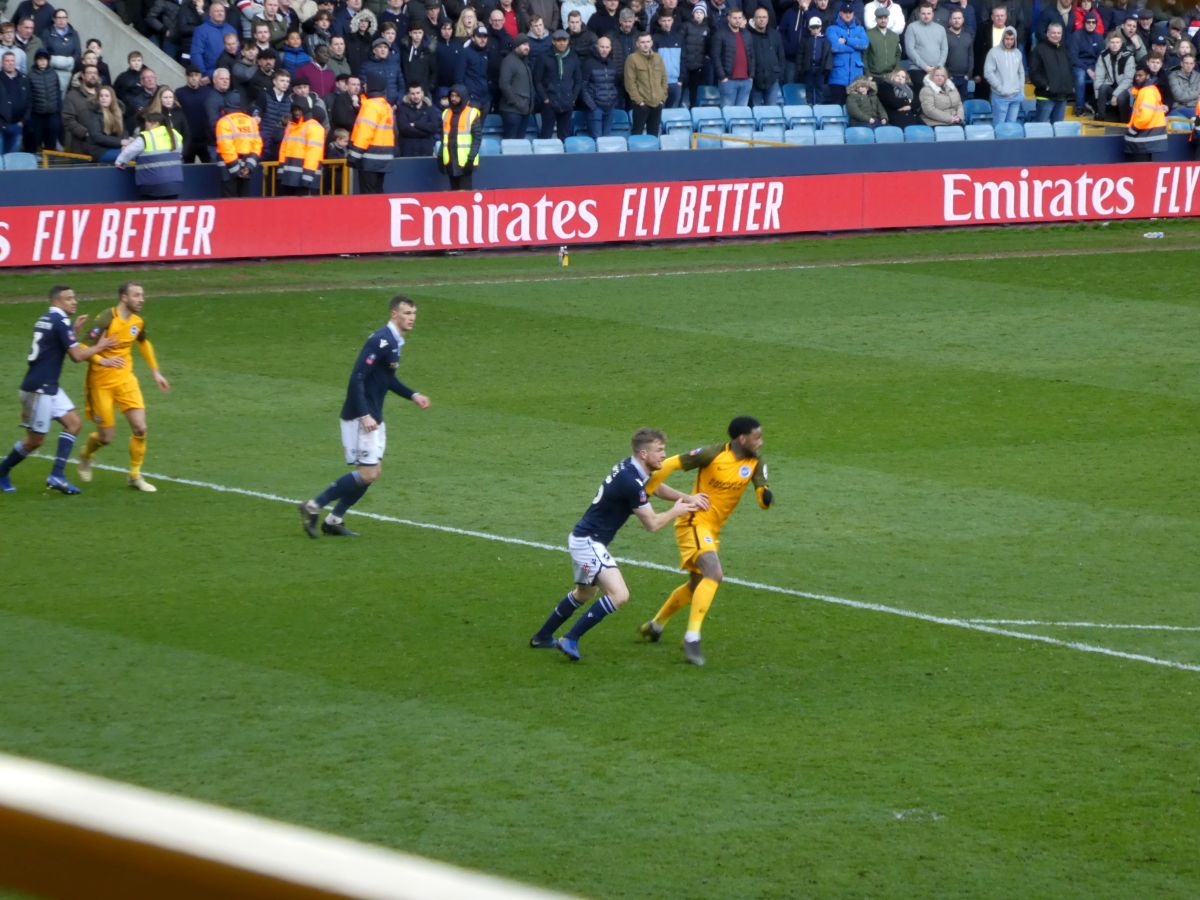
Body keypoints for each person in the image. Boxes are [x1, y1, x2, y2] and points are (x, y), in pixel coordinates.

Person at [529, 428, 706, 660]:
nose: (664, 455)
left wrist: (688, 498)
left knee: (584, 593)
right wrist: (676, 511)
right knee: (619, 595)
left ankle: (542, 637)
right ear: (644, 454)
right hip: (589, 543)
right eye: (659, 451)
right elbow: (652, 524)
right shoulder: (631, 481)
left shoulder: (631, 469)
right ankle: (570, 639)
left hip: (583, 539)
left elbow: (655, 488)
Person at [638, 416, 772, 667]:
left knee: (696, 584)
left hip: (712, 528)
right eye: (757, 437)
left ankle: (656, 625)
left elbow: (762, 495)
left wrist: (765, 496)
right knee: (714, 573)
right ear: (742, 439)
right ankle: (692, 637)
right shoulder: (711, 454)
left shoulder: (755, 462)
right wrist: (645, 492)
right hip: (694, 520)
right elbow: (669, 464)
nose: (761, 442)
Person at [298, 295, 430, 539]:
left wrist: (413, 395)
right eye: (407, 313)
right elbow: (356, 378)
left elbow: (386, 379)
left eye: (413, 313)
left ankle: (333, 520)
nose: (411, 318)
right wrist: (364, 414)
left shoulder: (394, 342)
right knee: (368, 473)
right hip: (362, 417)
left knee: (372, 473)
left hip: (373, 416)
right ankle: (312, 506)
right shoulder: (381, 341)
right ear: (394, 314)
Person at [0, 286, 119, 495]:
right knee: (35, 441)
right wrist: (101, 346)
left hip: (47, 386)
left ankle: (57, 476)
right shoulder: (60, 321)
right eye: (69, 299)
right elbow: (77, 356)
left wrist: (73, 332)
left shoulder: (46, 319)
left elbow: (53, 345)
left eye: (74, 297)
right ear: (57, 301)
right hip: (39, 390)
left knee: (74, 424)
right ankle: (2, 471)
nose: (74, 302)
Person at [77, 283, 172, 494]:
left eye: (142, 295)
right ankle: (85, 455)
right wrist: (103, 361)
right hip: (100, 384)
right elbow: (82, 348)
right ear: (123, 297)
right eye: (136, 295)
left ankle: (135, 476)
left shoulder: (137, 321)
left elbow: (144, 343)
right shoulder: (106, 318)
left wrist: (155, 372)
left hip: (126, 381)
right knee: (105, 438)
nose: (142, 299)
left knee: (140, 429)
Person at [115, 110, 185, 199]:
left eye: (147, 122)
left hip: (152, 185)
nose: (145, 125)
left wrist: (120, 162)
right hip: (175, 184)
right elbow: (179, 154)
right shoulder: (175, 134)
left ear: (155, 123)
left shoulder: (147, 136)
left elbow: (129, 151)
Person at [347, 70, 395, 193]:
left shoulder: (370, 106)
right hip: (384, 157)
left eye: (366, 83)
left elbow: (365, 133)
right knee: (378, 191)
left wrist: (353, 156)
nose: (364, 86)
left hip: (369, 158)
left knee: (368, 194)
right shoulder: (386, 106)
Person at [214, 91, 262, 196]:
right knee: (244, 202)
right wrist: (248, 167)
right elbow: (257, 146)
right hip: (246, 167)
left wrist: (236, 170)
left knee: (229, 203)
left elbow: (226, 148)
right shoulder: (251, 121)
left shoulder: (224, 122)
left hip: (228, 169)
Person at [277, 99, 325, 193]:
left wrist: (308, 176)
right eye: (295, 110)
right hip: (289, 177)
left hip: (305, 178)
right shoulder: (291, 126)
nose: (297, 112)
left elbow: (313, 154)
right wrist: (281, 171)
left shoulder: (313, 127)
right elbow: (283, 150)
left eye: (299, 110)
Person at [624, 31, 667, 134]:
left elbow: (664, 79)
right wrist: (639, 102)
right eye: (642, 42)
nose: (645, 44)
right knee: (637, 133)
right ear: (637, 44)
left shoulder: (658, 57)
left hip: (657, 104)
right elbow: (630, 83)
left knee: (654, 134)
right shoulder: (632, 59)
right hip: (641, 105)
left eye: (648, 41)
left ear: (652, 43)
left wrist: (662, 98)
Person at [438, 83, 480, 188]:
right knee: (454, 196)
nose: (453, 98)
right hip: (450, 161)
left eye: (457, 96)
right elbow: (443, 138)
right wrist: (440, 157)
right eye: (452, 96)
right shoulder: (446, 113)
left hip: (465, 162)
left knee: (465, 196)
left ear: (463, 97)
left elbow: (477, 138)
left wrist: (470, 159)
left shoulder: (472, 113)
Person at [1030, 22, 1073, 121]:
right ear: (1047, 33)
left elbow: (1070, 70)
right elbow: (1034, 73)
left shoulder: (1064, 50)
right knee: (1041, 130)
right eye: (1053, 33)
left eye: (1059, 33)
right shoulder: (1038, 50)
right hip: (1045, 97)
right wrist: (1047, 86)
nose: (1056, 35)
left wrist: (1069, 86)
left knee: (1058, 131)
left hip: (1062, 97)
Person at [712, 8, 755, 106]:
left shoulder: (747, 34)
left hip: (746, 80)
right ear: (728, 18)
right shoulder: (720, 34)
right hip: (728, 81)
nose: (737, 20)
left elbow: (752, 56)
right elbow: (715, 57)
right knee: (728, 114)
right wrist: (722, 77)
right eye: (735, 18)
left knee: (741, 115)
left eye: (740, 18)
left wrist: (751, 76)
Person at [827, 1, 868, 102]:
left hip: (856, 78)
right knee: (836, 109)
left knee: (855, 111)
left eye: (850, 12)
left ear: (853, 13)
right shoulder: (832, 29)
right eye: (845, 12)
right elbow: (834, 46)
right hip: (838, 77)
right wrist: (854, 47)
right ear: (840, 13)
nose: (848, 14)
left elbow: (865, 44)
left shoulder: (860, 29)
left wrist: (846, 41)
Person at [1125, 62, 1167, 159]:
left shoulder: (1147, 91)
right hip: (1148, 137)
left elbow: (1145, 116)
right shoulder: (1148, 90)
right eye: (1136, 75)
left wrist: (1133, 129)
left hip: (1143, 137)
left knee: (1141, 169)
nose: (1138, 78)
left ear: (1147, 76)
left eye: (1141, 75)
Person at [983, 25, 1024, 122]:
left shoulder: (1018, 53)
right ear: (1003, 38)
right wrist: (1000, 88)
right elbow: (988, 73)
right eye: (1007, 39)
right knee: (999, 127)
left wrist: (1021, 89)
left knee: (1011, 127)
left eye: (1011, 39)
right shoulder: (993, 52)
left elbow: (1021, 72)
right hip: (1000, 97)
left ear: (1015, 40)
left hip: (1016, 96)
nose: (1009, 41)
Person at [581, 35, 619, 137]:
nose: (604, 50)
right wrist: (593, 107)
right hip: (595, 109)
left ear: (610, 48)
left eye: (607, 47)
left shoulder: (612, 64)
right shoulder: (588, 64)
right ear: (597, 46)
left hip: (610, 108)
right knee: (596, 140)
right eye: (602, 47)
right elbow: (583, 88)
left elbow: (616, 85)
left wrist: (614, 103)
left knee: (606, 141)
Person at [497, 32, 534, 138]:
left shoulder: (524, 61)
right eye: (524, 45)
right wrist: (516, 103)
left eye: (528, 45)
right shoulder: (509, 61)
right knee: (511, 145)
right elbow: (504, 85)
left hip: (524, 110)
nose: (527, 47)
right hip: (512, 111)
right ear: (516, 46)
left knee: (520, 145)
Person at [1094, 29, 1133, 120]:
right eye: (1112, 42)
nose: (1115, 45)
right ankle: (1101, 118)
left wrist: (1115, 95)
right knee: (1102, 87)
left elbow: (1128, 80)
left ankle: (1125, 122)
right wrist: (1098, 97)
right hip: (1110, 87)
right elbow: (1099, 77)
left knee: (1122, 97)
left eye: (1117, 42)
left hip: (1125, 90)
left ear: (1121, 43)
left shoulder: (1128, 56)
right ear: (1108, 43)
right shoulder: (1103, 55)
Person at [395, 81, 439, 155]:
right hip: (408, 151)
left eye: (418, 93)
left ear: (422, 93)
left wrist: (415, 124)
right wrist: (426, 132)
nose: (416, 96)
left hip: (425, 151)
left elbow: (434, 127)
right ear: (408, 94)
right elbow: (404, 129)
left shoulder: (430, 108)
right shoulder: (402, 109)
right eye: (413, 93)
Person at [0, 50, 31, 153]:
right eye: (7, 61)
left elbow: (29, 101)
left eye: (12, 61)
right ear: (2, 63)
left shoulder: (24, 78)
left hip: (17, 125)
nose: (10, 63)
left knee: (13, 158)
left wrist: (23, 121)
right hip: (1, 126)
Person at [797, 15, 832, 105]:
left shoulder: (825, 40)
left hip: (820, 68)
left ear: (820, 27)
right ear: (809, 28)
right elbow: (800, 54)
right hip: (809, 68)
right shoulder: (806, 40)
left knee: (819, 88)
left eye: (817, 27)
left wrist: (827, 69)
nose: (815, 29)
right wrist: (800, 67)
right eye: (813, 27)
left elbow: (828, 55)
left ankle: (819, 104)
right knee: (809, 87)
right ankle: (809, 103)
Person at [865, 6, 902, 79]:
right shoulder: (868, 34)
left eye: (885, 18)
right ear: (876, 19)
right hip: (874, 76)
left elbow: (898, 54)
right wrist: (867, 74)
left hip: (891, 75)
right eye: (880, 18)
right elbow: (864, 55)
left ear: (888, 19)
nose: (883, 20)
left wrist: (896, 70)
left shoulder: (894, 36)